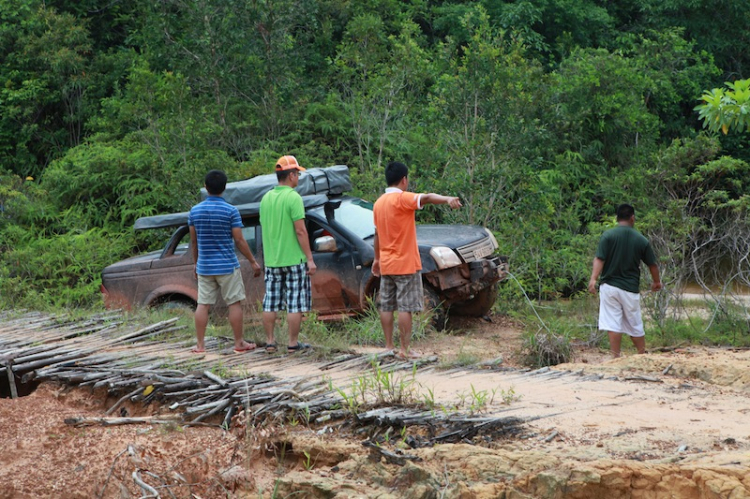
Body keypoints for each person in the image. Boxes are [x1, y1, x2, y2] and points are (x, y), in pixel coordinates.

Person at [372, 161, 462, 360]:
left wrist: (377, 259)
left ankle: (388, 346)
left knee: (386, 305)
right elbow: (428, 198)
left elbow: (377, 234)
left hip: (386, 263)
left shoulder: (378, 203)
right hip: (405, 264)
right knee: (405, 307)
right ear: (404, 180)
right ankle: (405, 349)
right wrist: (448, 199)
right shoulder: (403, 199)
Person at [188, 170, 262, 354]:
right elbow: (239, 239)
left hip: (205, 266)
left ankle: (200, 345)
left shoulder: (194, 211)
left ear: (206, 187)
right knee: (234, 303)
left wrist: (196, 264)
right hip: (227, 265)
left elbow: (194, 241)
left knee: (203, 304)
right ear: (224, 188)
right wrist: (252, 261)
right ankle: (239, 343)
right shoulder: (231, 211)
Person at [588, 203, 662, 358]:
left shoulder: (608, 236)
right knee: (635, 323)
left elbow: (599, 258)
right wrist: (656, 282)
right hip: (629, 288)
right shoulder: (641, 240)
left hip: (609, 286)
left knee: (612, 323)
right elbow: (652, 264)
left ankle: (615, 356)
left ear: (617, 218)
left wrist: (593, 278)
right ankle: (642, 355)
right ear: (632, 218)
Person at [259, 155, 317, 353]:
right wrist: (310, 258)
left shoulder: (265, 199)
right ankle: (292, 343)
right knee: (295, 303)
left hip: (272, 260)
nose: (298, 178)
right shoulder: (293, 197)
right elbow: (300, 231)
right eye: (297, 174)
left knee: (271, 302)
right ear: (291, 175)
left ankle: (270, 342)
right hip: (294, 259)